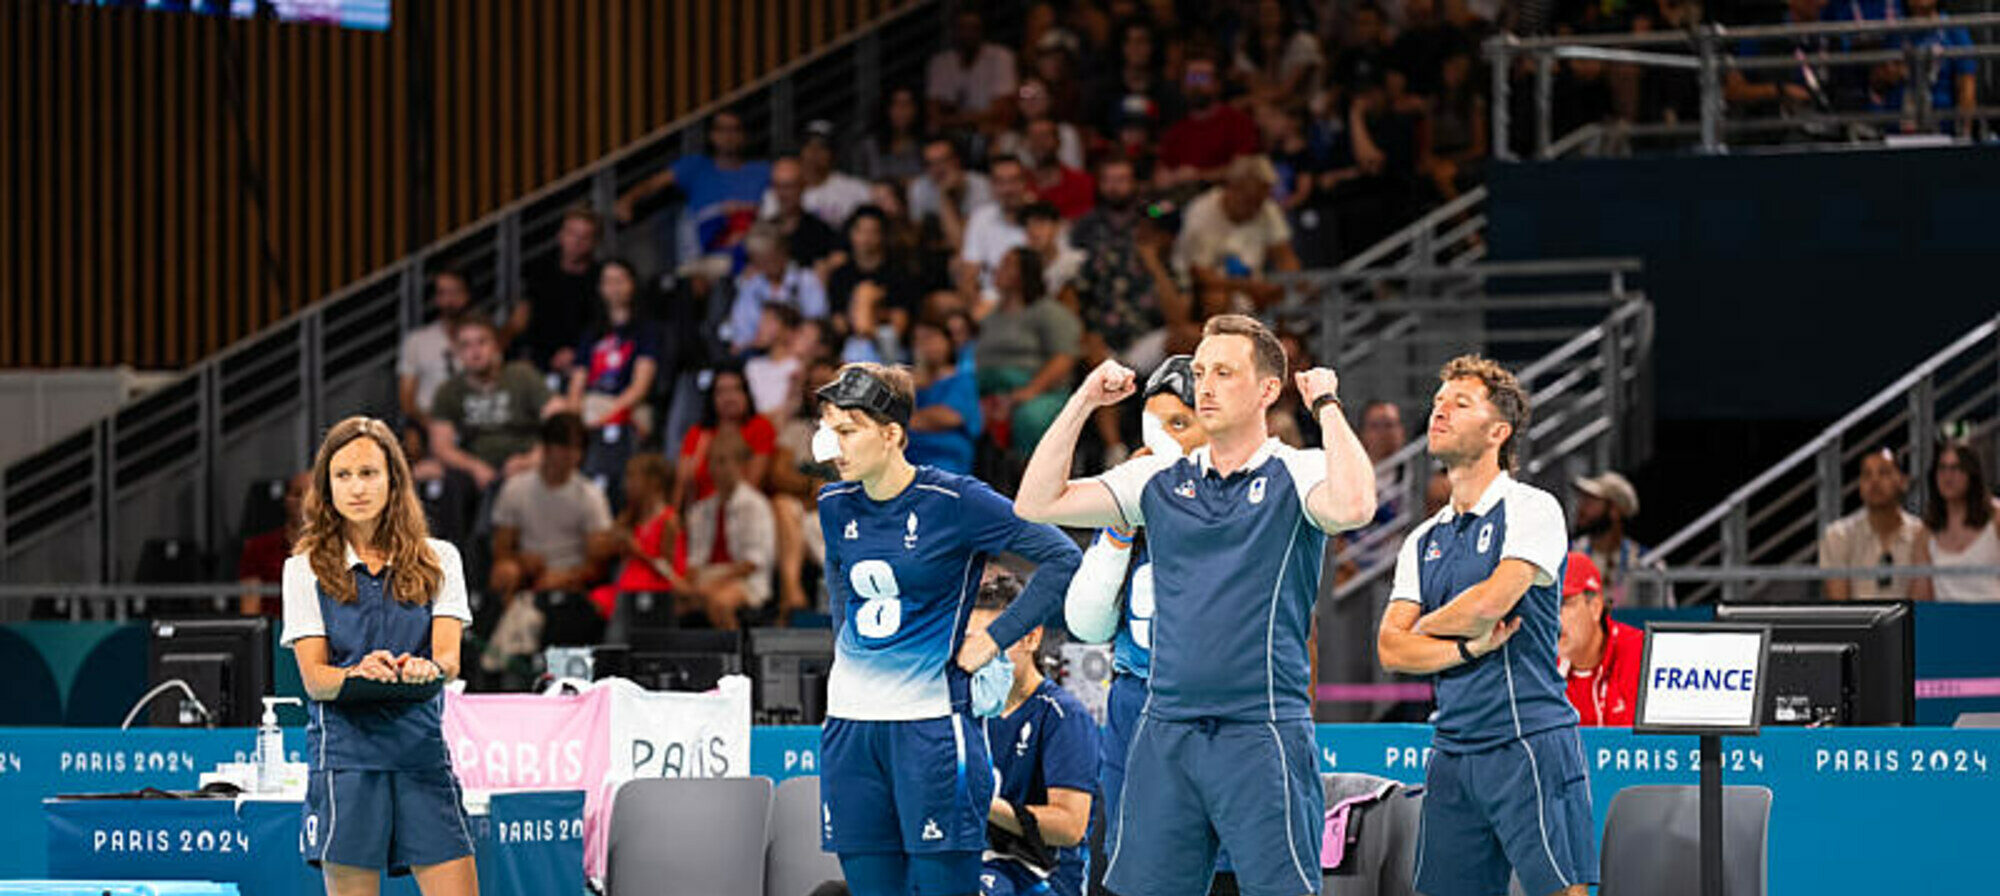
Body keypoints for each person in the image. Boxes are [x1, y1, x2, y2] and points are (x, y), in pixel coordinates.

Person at [1012, 314, 1378, 896]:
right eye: (1200, 371)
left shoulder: (1297, 471)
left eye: (1224, 373)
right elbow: (1036, 502)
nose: (1204, 385)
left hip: (1262, 731)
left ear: (1266, 390)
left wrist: (1328, 404)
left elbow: (1356, 505)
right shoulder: (1157, 477)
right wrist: (1084, 400)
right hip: (1165, 731)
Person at [814, 363, 1082, 896]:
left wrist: (995, 638)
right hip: (849, 729)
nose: (830, 445)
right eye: (825, 429)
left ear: (891, 435)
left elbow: (1061, 557)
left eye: (846, 431)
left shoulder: (955, 501)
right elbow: (839, 589)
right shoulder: (833, 503)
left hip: (930, 729)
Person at [1377, 354, 1594, 896]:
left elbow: (1488, 606)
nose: (1440, 411)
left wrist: (1424, 626)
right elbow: (1390, 650)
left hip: (1529, 739)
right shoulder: (1422, 540)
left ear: (1498, 431)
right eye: (1437, 402)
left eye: (1460, 403)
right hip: (1451, 750)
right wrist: (1466, 652)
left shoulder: (1532, 508)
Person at [281, 416, 476, 896]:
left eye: (368, 473)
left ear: (393, 479)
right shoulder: (302, 568)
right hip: (346, 761)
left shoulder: (441, 558)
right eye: (342, 475)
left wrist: (425, 667)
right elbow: (316, 680)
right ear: (326, 487)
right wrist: (356, 672)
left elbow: (449, 661)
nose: (357, 488)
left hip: (421, 755)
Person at [1058, 356, 1206, 880]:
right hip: (1136, 700)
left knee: (1228, 866)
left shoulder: (1244, 499)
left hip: (1217, 707)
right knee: (1135, 865)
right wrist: (1120, 531)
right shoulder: (1129, 499)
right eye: (1156, 426)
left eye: (1180, 424)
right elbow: (1088, 624)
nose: (1165, 441)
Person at [972, 574, 1098, 896]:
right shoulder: (959, 708)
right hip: (968, 859)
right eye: (972, 641)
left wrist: (984, 802)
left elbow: (1070, 827)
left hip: (1041, 874)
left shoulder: (1062, 715)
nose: (981, 654)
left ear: (1031, 638)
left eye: (995, 641)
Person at [614, 109, 771, 273]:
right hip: (705, 253)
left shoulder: (761, 170)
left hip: (752, 253)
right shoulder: (696, 166)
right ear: (712, 135)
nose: (728, 136)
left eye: (734, 130)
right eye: (722, 130)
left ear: (743, 135)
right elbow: (652, 184)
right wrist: (628, 200)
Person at [487, 413, 616, 601]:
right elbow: (501, 550)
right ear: (547, 448)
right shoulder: (516, 488)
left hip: (571, 575)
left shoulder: (591, 495)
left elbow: (597, 563)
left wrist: (567, 575)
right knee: (504, 572)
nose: (571, 455)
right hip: (527, 572)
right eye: (564, 447)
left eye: (577, 448)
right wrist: (522, 561)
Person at [566, 259, 663, 506]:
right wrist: (573, 415)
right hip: (591, 404)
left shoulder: (646, 330)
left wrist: (607, 413)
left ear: (632, 285)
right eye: (608, 282)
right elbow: (577, 383)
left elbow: (640, 387)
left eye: (620, 281)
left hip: (626, 406)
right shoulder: (592, 333)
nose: (614, 288)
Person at [973, 247, 1082, 456]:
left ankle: (1031, 478)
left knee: (1029, 418)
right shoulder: (990, 315)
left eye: (1007, 264)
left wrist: (1028, 392)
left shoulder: (1049, 312)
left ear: (1025, 273)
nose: (998, 269)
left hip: (1039, 389)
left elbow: (1064, 357)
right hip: (989, 389)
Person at [428, 315, 555, 491]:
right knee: (448, 481)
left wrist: (532, 459)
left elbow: (560, 420)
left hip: (524, 460)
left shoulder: (522, 375)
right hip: (476, 467)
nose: (475, 352)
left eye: (482, 342)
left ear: (495, 346)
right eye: (466, 345)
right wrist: (474, 467)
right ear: (457, 352)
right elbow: (441, 446)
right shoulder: (449, 390)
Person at [1175, 155, 1302, 310]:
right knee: (1217, 298)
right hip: (1201, 289)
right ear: (1232, 188)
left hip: (1252, 285)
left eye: (1260, 201)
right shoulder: (1201, 213)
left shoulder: (1266, 209)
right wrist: (1248, 287)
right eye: (1250, 200)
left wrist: (1287, 283)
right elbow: (1200, 274)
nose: (1256, 209)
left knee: (1286, 293)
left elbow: (1285, 257)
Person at [682, 429, 778, 628]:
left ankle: (735, 656)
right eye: (713, 462)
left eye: (723, 461)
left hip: (746, 580)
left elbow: (753, 562)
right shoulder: (700, 509)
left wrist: (713, 582)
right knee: (672, 600)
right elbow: (695, 559)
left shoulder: (755, 505)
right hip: (707, 576)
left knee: (719, 602)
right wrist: (688, 583)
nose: (717, 469)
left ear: (741, 465)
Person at [589, 454, 688, 622]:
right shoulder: (629, 517)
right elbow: (599, 545)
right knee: (592, 601)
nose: (626, 484)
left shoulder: (669, 521)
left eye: (632, 477)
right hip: (624, 588)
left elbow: (671, 571)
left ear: (654, 482)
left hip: (654, 590)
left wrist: (638, 551)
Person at [1820, 448, 1925, 600]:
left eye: (1884, 473)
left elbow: (1922, 602)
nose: (1874, 481)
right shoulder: (1838, 535)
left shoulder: (1921, 534)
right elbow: (1839, 605)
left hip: (1908, 622)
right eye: (1867, 475)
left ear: (1903, 481)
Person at [509, 207, 603, 375]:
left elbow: (604, 326)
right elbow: (521, 319)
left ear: (594, 242)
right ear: (560, 236)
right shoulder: (539, 272)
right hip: (538, 357)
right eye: (572, 233)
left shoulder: (602, 278)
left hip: (583, 359)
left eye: (585, 237)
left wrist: (577, 353)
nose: (577, 241)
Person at [1556, 551, 1643, 726]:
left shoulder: (1643, 654)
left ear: (1595, 607)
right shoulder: (1539, 670)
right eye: (1547, 605)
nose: (1553, 617)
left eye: (1564, 603)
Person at [1912, 440, 2000, 602]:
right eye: (1942, 468)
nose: (1948, 476)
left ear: (1971, 474)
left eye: (1956, 468)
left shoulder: (1996, 518)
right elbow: (1922, 599)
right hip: (1947, 622)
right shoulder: (1926, 533)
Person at [676, 366, 777, 504]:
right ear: (712, 398)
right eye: (721, 391)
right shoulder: (698, 433)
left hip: (742, 508)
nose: (729, 397)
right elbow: (682, 485)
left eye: (736, 389)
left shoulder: (760, 427)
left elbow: (752, 484)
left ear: (746, 394)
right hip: (700, 511)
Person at [1157, 57, 1261, 188]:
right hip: (1180, 198)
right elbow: (1160, 175)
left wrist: (1200, 176)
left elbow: (1245, 170)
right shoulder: (1175, 131)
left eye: (1202, 78)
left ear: (1217, 84)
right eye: (1191, 79)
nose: (1196, 85)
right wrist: (1169, 178)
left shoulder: (1239, 122)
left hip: (1224, 197)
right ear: (1183, 86)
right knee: (1152, 208)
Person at [729, 223, 831, 355]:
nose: (768, 264)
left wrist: (787, 339)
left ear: (783, 251)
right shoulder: (751, 287)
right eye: (761, 260)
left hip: (799, 352)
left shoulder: (807, 281)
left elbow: (817, 323)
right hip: (758, 353)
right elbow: (741, 331)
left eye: (771, 257)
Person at [1570, 471, 1664, 607]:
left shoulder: (1646, 563)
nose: (1582, 508)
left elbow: (1660, 617)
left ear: (1614, 511)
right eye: (1583, 499)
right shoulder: (1567, 555)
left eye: (1591, 501)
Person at [906, 318, 983, 475]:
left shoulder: (961, 379)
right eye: (918, 341)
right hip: (907, 459)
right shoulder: (906, 383)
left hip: (945, 460)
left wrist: (906, 420)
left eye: (930, 338)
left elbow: (950, 417)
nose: (924, 346)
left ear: (947, 341)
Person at [398, 269, 471, 429]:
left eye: (455, 292)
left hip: (472, 425)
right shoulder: (416, 340)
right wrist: (432, 427)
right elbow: (407, 400)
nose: (449, 300)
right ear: (436, 299)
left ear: (466, 295)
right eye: (443, 293)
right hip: (428, 424)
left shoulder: (480, 339)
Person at [927, 8, 1019, 136]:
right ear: (954, 31)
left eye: (973, 28)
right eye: (963, 28)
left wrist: (954, 118)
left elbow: (1002, 110)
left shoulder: (1002, 56)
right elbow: (935, 112)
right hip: (952, 135)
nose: (968, 34)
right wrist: (975, 117)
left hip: (991, 132)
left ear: (982, 30)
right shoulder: (940, 62)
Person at [239, 471, 311, 616]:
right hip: (274, 631)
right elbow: (250, 612)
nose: (304, 502)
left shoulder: (339, 546)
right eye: (297, 494)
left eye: (312, 496)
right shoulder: (258, 548)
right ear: (286, 500)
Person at [854, 86, 929, 183]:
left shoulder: (926, 144)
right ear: (886, 109)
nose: (902, 111)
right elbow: (857, 183)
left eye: (907, 104)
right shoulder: (869, 146)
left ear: (916, 109)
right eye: (896, 104)